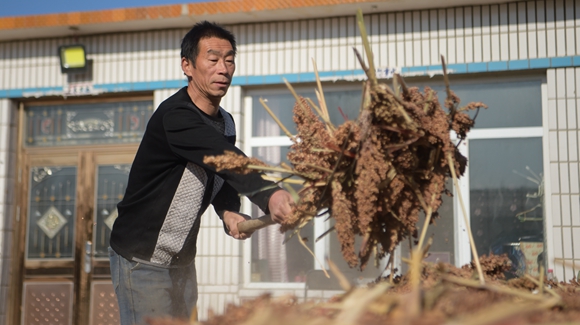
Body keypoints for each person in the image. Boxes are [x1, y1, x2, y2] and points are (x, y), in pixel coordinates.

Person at [109, 21, 294, 325]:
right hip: (141, 260)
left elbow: (217, 174)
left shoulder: (226, 122)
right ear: (188, 65)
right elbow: (224, 159)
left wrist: (228, 211)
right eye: (213, 59)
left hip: (181, 261)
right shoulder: (176, 116)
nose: (223, 69)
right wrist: (269, 194)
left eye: (229, 59)